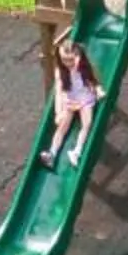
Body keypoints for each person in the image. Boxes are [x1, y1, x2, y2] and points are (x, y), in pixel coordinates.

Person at [40, 33, 100, 167]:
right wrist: (58, 112)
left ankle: (77, 151)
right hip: (71, 100)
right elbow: (59, 92)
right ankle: (52, 153)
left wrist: (98, 89)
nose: (68, 63)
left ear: (78, 57)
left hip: (85, 99)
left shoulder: (85, 68)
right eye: (64, 60)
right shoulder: (61, 72)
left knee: (87, 124)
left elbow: (93, 81)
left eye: (71, 60)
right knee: (62, 127)